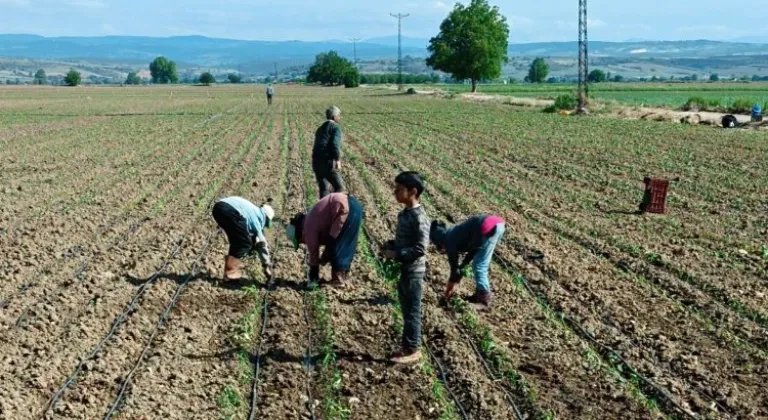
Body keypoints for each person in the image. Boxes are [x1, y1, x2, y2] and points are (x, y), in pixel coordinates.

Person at [382, 172, 430, 364]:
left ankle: (412, 349)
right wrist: (392, 245)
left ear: (413, 192)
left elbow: (421, 248)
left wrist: (397, 254)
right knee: (405, 309)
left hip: (413, 272)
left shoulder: (419, 218)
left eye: (399, 189)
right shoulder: (404, 214)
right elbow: (405, 242)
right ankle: (407, 345)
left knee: (412, 311)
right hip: (404, 269)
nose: (395, 192)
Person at [286, 192, 363, 288]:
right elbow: (329, 238)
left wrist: (313, 278)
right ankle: (342, 277)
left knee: (337, 246)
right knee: (345, 245)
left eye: (300, 241)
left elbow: (314, 254)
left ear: (298, 234)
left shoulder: (307, 228)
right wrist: (325, 256)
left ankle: (338, 280)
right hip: (354, 205)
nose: (303, 242)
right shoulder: (309, 219)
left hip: (344, 208)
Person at [430, 214, 505, 309]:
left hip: (487, 227)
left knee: (479, 265)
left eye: (440, 248)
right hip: (497, 224)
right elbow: (470, 255)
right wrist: (462, 267)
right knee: (478, 263)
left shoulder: (449, 241)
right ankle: (479, 294)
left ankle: (484, 300)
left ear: (440, 242)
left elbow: (454, 271)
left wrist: (446, 295)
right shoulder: (454, 234)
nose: (443, 250)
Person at [211, 196, 275, 281]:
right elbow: (262, 243)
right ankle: (230, 273)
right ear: (266, 218)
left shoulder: (253, 210)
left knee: (237, 241)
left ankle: (228, 273)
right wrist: (266, 264)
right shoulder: (257, 218)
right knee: (244, 243)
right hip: (229, 210)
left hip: (218, 208)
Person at [312, 106, 345, 198]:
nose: (340, 117)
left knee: (324, 188)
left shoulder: (320, 128)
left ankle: (324, 210)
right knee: (339, 187)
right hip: (328, 161)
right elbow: (335, 145)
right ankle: (336, 209)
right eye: (339, 115)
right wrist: (337, 160)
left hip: (316, 161)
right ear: (334, 117)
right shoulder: (335, 127)